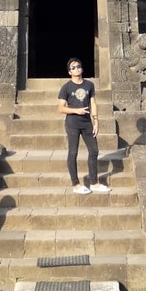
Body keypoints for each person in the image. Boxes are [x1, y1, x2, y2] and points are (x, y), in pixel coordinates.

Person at [57, 57, 111, 195]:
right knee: (73, 152)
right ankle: (75, 184)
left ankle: (94, 182)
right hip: (72, 123)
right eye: (73, 67)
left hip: (87, 123)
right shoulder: (66, 87)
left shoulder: (89, 85)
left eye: (78, 66)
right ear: (69, 72)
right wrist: (76, 110)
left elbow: (92, 103)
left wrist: (96, 121)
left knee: (94, 151)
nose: (77, 68)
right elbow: (61, 108)